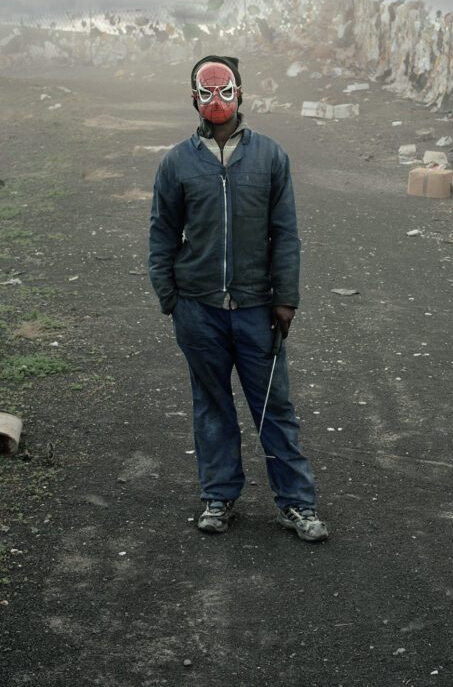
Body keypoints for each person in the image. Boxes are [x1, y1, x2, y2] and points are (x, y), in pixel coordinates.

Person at [148, 55, 328, 542]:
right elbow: (162, 234)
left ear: (241, 93)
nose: (217, 101)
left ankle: (297, 504)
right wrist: (172, 300)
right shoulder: (177, 163)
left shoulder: (270, 157)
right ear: (193, 100)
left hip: (256, 310)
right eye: (206, 92)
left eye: (225, 90)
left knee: (274, 407)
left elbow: (285, 233)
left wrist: (285, 297)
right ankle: (219, 497)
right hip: (198, 309)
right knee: (212, 407)